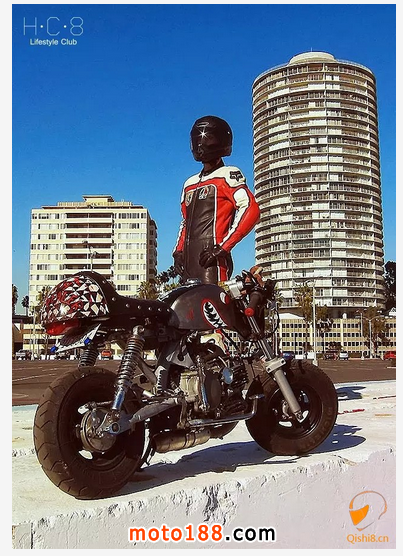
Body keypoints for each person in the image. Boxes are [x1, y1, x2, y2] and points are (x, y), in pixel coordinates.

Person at [173, 115, 260, 284]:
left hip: (213, 263)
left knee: (213, 300)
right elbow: (185, 222)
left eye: (208, 138)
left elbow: (251, 209)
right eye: (198, 139)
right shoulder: (189, 183)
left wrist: (222, 248)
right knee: (184, 301)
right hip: (188, 264)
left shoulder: (228, 175)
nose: (201, 144)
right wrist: (178, 252)